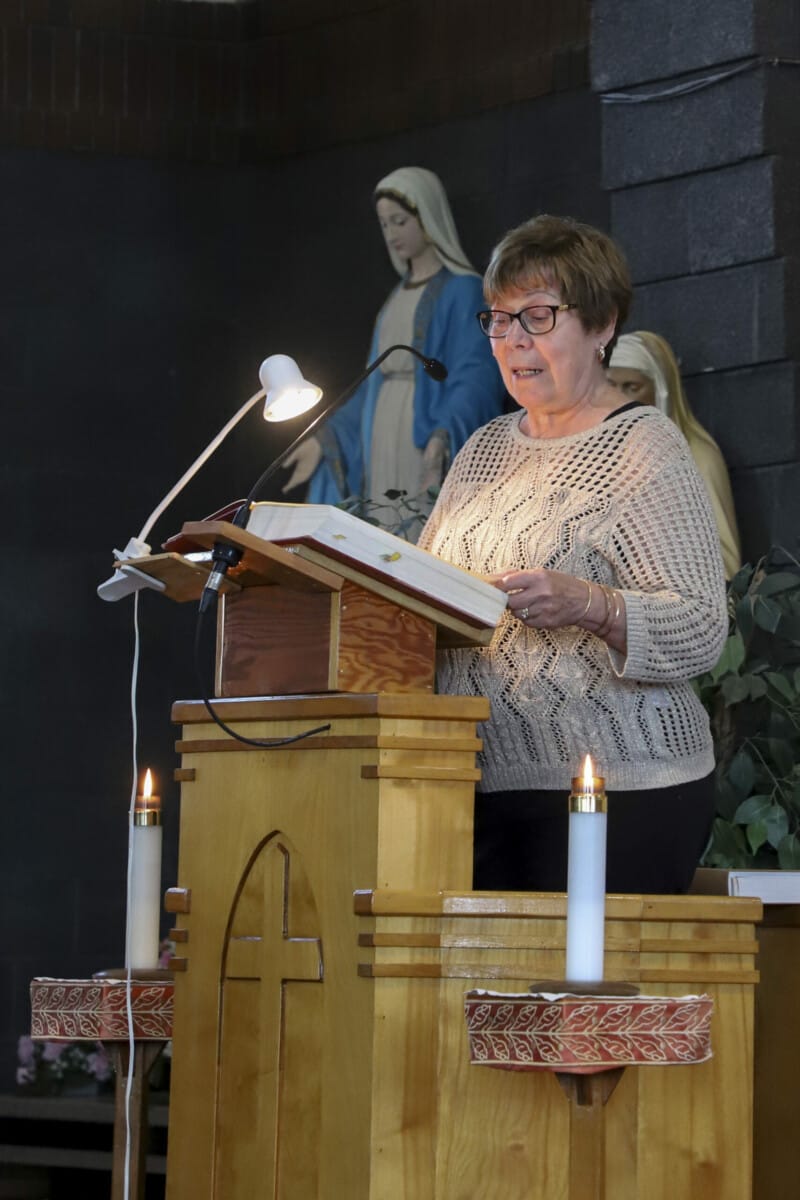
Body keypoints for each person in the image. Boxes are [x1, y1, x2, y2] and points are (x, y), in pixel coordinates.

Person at [418, 214, 728, 895]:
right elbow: (420, 599)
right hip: (477, 790)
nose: (513, 340)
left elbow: (701, 627)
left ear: (602, 324)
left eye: (537, 316)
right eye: (499, 320)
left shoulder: (641, 445)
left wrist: (590, 604)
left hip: (623, 789)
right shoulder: (481, 451)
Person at [281, 166, 506, 539]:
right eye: (384, 224)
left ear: (428, 218)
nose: (392, 233)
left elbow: (476, 375)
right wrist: (325, 439)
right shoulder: (395, 297)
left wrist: (443, 435)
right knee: (381, 528)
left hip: (421, 435)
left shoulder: (463, 290)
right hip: (380, 430)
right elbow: (371, 382)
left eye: (400, 221)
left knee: (416, 527)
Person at [608, 330, 741, 578]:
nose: (620, 399)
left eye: (632, 387)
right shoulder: (602, 456)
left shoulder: (697, 456)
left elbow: (725, 564)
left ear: (660, 389)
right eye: (611, 386)